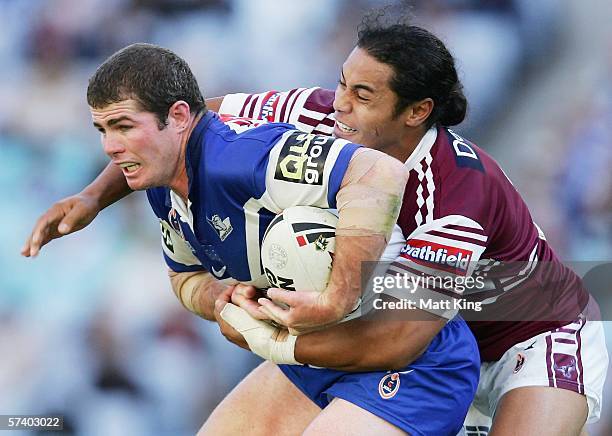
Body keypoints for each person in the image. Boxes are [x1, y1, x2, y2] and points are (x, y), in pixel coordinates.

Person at [22, 14, 608, 436]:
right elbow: (183, 129)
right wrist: (94, 197)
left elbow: (402, 337)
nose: (339, 104)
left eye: (362, 94)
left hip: (530, 335)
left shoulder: (456, 193)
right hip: (427, 334)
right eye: (342, 83)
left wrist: (281, 339)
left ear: (416, 113)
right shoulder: (317, 111)